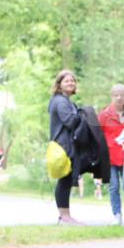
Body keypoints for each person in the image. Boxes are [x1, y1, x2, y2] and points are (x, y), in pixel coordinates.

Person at [97, 84, 124, 225]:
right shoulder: (104, 115)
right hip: (109, 157)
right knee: (113, 186)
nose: (119, 98)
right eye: (116, 95)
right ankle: (117, 215)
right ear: (112, 96)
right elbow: (98, 136)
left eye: (122, 95)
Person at [48, 70, 84, 224]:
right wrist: (84, 114)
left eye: (72, 81)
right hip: (63, 145)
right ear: (59, 84)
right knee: (65, 179)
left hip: (66, 144)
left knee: (67, 179)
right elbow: (70, 122)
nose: (71, 83)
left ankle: (65, 215)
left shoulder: (66, 101)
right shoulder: (60, 101)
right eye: (66, 81)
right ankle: (65, 216)